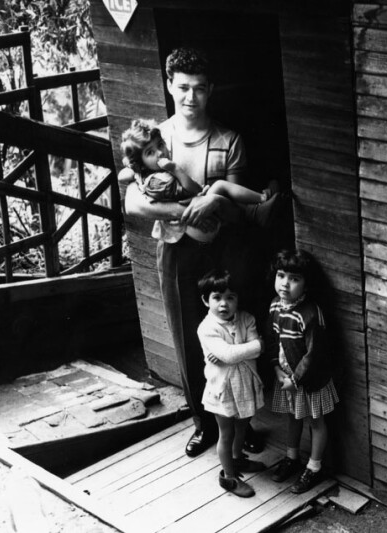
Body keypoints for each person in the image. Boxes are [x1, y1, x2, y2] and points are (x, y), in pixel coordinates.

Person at [123, 47, 264, 457]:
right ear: (169, 85)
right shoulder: (154, 139)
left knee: (232, 330)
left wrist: (216, 203)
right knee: (188, 336)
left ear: (211, 90)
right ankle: (205, 423)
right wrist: (186, 211)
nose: (190, 97)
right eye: (182, 87)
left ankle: (244, 422)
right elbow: (133, 202)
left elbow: (241, 212)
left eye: (199, 89)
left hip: (223, 250)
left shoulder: (228, 140)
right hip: (175, 250)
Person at [119, 118, 275, 243]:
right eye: (150, 152)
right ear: (141, 163)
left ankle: (260, 201)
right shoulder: (161, 180)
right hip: (196, 225)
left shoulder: (146, 174)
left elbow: (122, 175)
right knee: (219, 187)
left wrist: (134, 169)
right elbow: (193, 191)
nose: (160, 153)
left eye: (160, 144)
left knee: (218, 194)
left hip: (195, 219)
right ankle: (258, 205)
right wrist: (175, 169)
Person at [265, 249, 339, 494]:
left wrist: (295, 380)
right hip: (286, 377)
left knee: (317, 421)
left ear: (306, 284)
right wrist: (276, 368)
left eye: (294, 279)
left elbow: (314, 353)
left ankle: (314, 467)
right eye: (281, 275)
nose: (285, 283)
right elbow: (273, 339)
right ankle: (291, 457)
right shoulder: (275, 306)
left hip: (309, 380)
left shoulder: (309, 313)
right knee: (293, 416)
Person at [197, 269, 266, 497]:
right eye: (217, 298)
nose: (224, 304)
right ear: (206, 300)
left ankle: (237, 460)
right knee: (226, 434)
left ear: (238, 299)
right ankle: (228, 477)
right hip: (223, 389)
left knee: (243, 427)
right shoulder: (207, 328)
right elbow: (237, 352)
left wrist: (233, 353)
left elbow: (234, 354)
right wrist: (254, 347)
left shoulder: (247, 318)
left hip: (245, 384)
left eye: (230, 298)